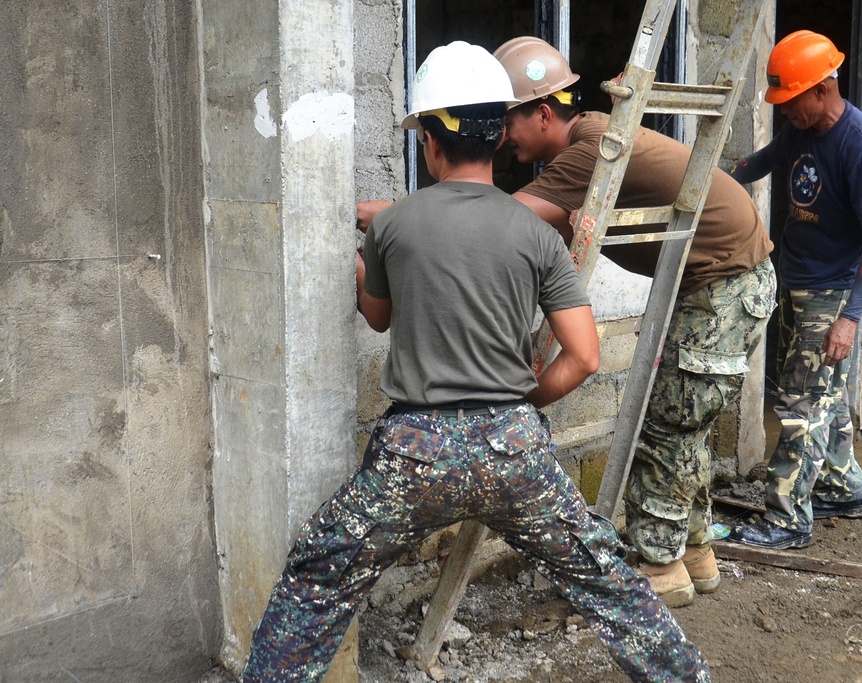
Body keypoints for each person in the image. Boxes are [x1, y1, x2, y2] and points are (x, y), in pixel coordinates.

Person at [242, 41, 710, 683]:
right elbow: (584, 356)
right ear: (494, 139)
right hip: (514, 449)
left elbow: (378, 317)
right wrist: (521, 405)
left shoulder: (392, 226)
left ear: (431, 142)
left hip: (415, 453)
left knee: (322, 571)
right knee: (604, 576)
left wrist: (361, 270)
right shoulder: (539, 234)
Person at [492, 37, 776, 608]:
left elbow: (501, 217)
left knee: (666, 427)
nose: (501, 137)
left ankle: (659, 570)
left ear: (543, 113)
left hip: (721, 288)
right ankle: (694, 551)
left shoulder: (591, 150)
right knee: (684, 426)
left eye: (506, 121)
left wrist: (403, 215)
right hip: (728, 284)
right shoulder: (596, 133)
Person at [726, 30, 862, 550]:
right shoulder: (800, 132)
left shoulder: (861, 145)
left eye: (790, 100)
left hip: (832, 294)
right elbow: (759, 163)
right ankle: (843, 488)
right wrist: (711, 183)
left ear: (822, 88)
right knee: (825, 395)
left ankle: (785, 518)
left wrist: (851, 316)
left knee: (801, 407)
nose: (785, 112)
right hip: (795, 283)